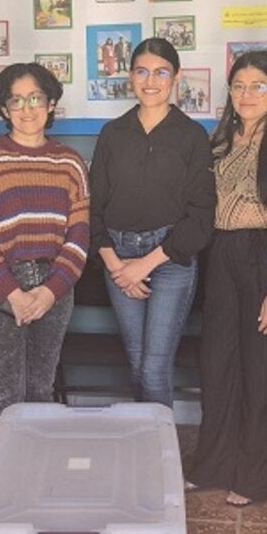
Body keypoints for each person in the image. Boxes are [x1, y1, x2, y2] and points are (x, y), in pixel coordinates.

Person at [186, 51, 267, 507]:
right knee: (217, 365)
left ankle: (253, 477)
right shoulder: (221, 139)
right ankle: (212, 466)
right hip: (222, 255)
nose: (247, 94)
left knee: (262, 371)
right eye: (239, 85)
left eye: (259, 85)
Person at [89, 38, 216, 405]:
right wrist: (117, 267)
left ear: (175, 78)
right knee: (137, 362)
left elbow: (201, 216)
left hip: (169, 260)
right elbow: (93, 208)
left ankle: (160, 459)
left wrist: (144, 264)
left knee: (155, 367)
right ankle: (141, 450)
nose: (151, 81)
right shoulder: (112, 134)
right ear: (130, 77)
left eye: (161, 72)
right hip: (119, 256)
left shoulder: (191, 136)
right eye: (142, 71)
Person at [0, 62, 89, 417]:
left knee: (40, 387)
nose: (27, 109)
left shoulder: (71, 163)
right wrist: (12, 294)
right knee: (8, 389)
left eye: (35, 98)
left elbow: (78, 237)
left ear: (50, 105)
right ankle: (6, 472)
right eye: (16, 101)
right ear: (4, 109)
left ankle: (37, 469)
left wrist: (49, 292)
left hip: (55, 288)